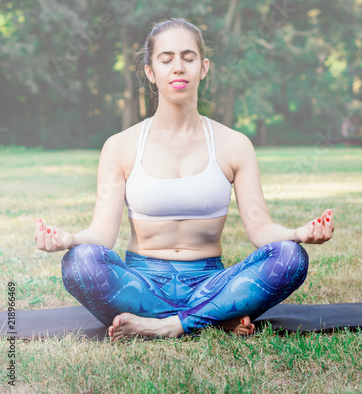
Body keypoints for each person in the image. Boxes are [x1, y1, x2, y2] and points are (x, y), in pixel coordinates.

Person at [34, 17, 335, 341]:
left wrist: (297, 233)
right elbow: (102, 235)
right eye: (166, 59)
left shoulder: (234, 144)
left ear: (203, 67)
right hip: (142, 284)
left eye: (188, 57)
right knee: (80, 262)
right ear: (151, 71)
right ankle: (213, 315)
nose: (178, 67)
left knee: (290, 257)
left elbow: (261, 229)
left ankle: (167, 325)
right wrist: (69, 240)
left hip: (210, 282)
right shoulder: (120, 146)